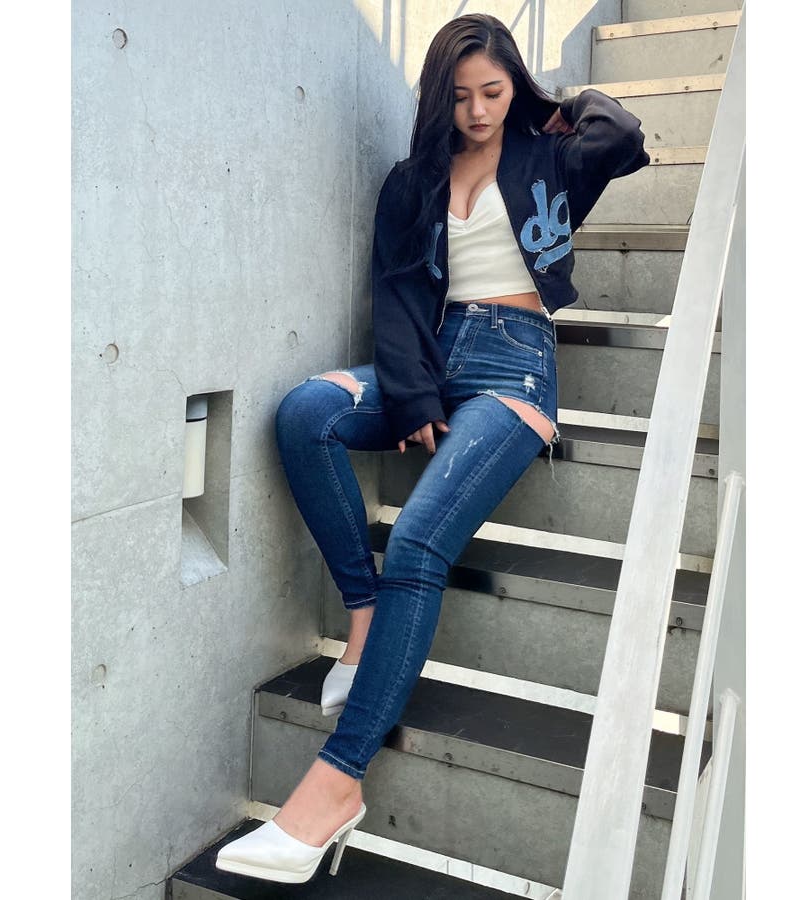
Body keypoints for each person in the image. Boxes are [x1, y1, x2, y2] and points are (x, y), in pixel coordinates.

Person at [216, 12, 649, 883]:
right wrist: (413, 394)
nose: (478, 111)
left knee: (417, 537)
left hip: (515, 369)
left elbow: (625, 134)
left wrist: (555, 105)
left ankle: (336, 785)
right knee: (306, 412)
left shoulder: (551, 156)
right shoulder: (412, 182)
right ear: (436, 99)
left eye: (493, 91)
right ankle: (364, 613)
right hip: (434, 354)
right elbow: (398, 293)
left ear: (515, 86)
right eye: (460, 97)